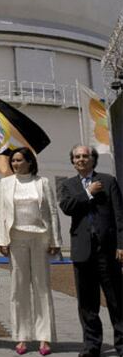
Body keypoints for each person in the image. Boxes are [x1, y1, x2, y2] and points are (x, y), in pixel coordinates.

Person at [59, 145, 123, 357]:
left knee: (116, 300)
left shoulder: (108, 180)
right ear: (73, 160)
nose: (81, 159)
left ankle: (121, 344)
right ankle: (92, 345)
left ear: (93, 159)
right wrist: (88, 193)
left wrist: (121, 245)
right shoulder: (68, 185)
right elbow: (67, 207)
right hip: (82, 250)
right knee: (87, 303)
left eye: (85, 156)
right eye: (77, 156)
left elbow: (119, 215)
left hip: (108, 250)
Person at [0, 147, 61, 356]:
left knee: (42, 287)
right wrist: (1, 240)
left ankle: (44, 338)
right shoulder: (5, 183)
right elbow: (1, 213)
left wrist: (55, 240)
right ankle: (22, 336)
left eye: (19, 160)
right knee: (19, 289)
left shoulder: (42, 182)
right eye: (13, 161)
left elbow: (52, 211)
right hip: (16, 239)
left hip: (40, 238)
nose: (15, 164)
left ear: (30, 162)